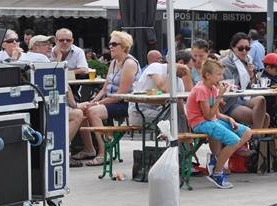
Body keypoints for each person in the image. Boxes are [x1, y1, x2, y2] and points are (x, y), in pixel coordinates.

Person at [75, 31, 140, 166]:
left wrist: (97, 104)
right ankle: (89, 149)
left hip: (127, 103)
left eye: (114, 44)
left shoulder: (129, 63)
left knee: (93, 111)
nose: (110, 47)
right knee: (81, 110)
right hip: (112, 101)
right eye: (110, 44)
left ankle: (104, 152)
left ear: (124, 46)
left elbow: (121, 94)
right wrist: (92, 102)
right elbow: (105, 89)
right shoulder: (114, 62)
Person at [186, 59, 252, 189]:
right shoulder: (201, 89)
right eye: (218, 74)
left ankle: (217, 159)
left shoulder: (212, 88)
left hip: (211, 121)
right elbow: (208, 116)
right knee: (234, 141)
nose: (221, 77)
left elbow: (216, 114)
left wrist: (229, 119)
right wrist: (219, 97)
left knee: (247, 132)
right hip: (199, 123)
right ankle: (217, 172)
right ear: (208, 75)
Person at [127, 50, 193, 126]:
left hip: (160, 111)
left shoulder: (179, 80)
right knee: (173, 116)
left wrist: (186, 118)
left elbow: (180, 102)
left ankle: (184, 133)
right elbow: (164, 89)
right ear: (181, 63)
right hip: (140, 111)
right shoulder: (156, 67)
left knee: (183, 115)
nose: (187, 74)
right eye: (188, 70)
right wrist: (173, 69)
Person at [220, 32, 269, 128]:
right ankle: (255, 136)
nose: (244, 51)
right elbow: (226, 85)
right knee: (264, 118)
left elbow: (252, 87)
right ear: (233, 48)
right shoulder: (225, 63)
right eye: (241, 48)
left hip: (243, 98)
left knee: (261, 100)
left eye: (247, 48)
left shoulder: (248, 61)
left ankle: (255, 136)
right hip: (229, 101)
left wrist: (251, 75)